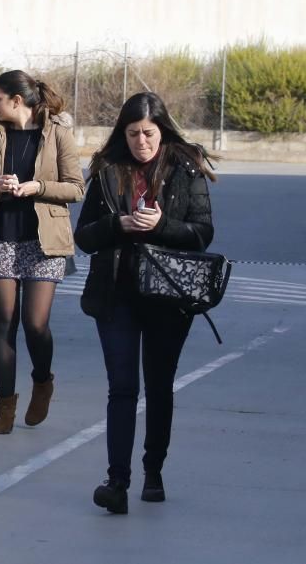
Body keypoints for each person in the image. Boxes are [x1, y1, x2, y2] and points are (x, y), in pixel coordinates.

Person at [74, 91, 216, 514]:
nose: (142, 142)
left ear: (162, 131)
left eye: (149, 133)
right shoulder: (107, 170)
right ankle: (116, 481)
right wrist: (117, 224)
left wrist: (162, 225)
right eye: (133, 133)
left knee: (158, 386)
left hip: (167, 296)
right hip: (115, 293)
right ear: (124, 132)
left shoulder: (185, 165)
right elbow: (84, 237)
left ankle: (153, 470)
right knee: (122, 388)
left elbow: (203, 233)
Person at [0, 70, 84, 435]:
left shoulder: (58, 134)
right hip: (1, 237)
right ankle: (5, 406)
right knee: (4, 322)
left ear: (16, 101)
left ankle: (42, 380)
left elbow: (76, 189)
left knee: (35, 324)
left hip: (44, 241)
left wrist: (38, 187)